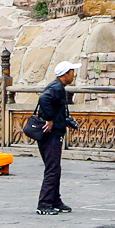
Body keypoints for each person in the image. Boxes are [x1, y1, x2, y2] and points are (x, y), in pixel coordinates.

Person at [34, 62, 81, 215]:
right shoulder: (56, 88)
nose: (73, 75)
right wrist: (49, 119)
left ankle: (55, 200)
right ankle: (44, 204)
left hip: (55, 132)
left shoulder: (58, 87)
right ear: (65, 74)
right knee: (52, 169)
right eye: (72, 72)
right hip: (50, 134)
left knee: (55, 168)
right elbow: (44, 99)